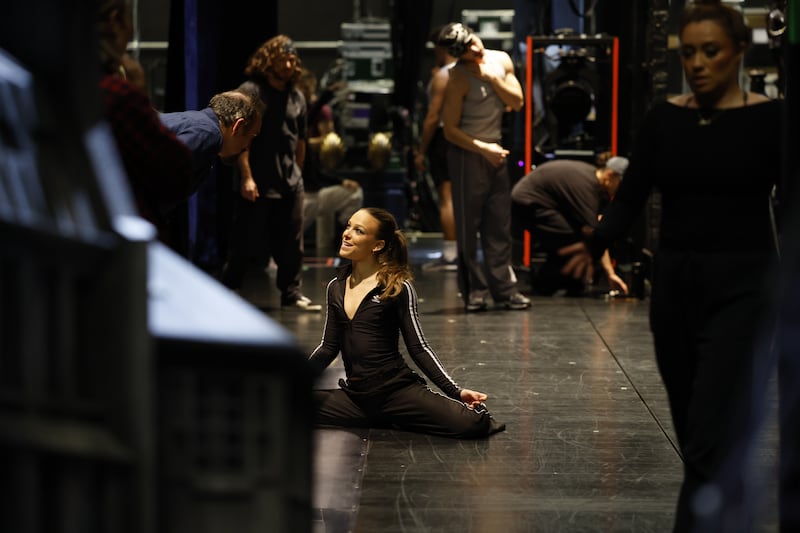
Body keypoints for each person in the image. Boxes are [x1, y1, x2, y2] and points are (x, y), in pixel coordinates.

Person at [559, 1, 783, 530]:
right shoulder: (665, 119)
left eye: (711, 51)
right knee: (694, 431)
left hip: (745, 285)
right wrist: (593, 245)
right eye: (689, 53)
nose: (698, 63)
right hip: (677, 288)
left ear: (738, 53)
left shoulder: (770, 119)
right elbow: (630, 197)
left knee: (708, 432)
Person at [308, 207, 505, 438]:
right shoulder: (336, 287)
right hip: (356, 397)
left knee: (473, 424)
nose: (347, 234)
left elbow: (419, 348)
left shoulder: (397, 287)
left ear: (377, 245)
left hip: (396, 392)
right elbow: (328, 347)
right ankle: (384, 418)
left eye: (358, 230)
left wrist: (456, 391)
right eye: (348, 226)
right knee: (290, 405)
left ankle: (393, 415)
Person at [221, 35, 321, 311]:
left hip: (289, 181)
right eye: (283, 59)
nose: (289, 64)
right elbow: (241, 138)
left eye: (292, 59)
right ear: (268, 61)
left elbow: (300, 140)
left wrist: (297, 174)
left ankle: (291, 293)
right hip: (257, 178)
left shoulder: (297, 96)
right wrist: (247, 177)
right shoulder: (251, 91)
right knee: (243, 240)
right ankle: (229, 289)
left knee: (291, 243)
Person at [439, 22, 531, 312]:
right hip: (470, 154)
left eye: (474, 41)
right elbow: (449, 130)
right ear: (458, 55)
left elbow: (518, 102)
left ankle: (505, 290)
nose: (475, 48)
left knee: (499, 225)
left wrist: (493, 79)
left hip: (496, 153)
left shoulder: (500, 60)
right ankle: (475, 292)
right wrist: (483, 148)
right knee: (468, 227)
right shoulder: (457, 77)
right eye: (466, 49)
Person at [96, 0, 194, 238]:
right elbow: (177, 171)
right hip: (123, 236)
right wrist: (140, 93)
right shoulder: (118, 94)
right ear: (115, 21)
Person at [511, 154, 630, 296]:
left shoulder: (596, 185)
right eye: (621, 184)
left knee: (576, 239)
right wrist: (609, 272)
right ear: (610, 176)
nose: (622, 190)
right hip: (528, 201)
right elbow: (596, 235)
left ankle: (563, 281)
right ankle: (546, 282)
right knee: (575, 240)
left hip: (542, 201)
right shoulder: (587, 187)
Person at [296, 68, 363, 255]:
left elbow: (316, 174)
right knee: (289, 237)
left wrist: (342, 182)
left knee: (352, 192)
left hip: (312, 195)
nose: (310, 94)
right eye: (306, 89)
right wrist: (328, 94)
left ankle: (336, 242)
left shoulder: (304, 133)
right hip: (303, 196)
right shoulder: (294, 122)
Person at [415, 26, 458, 272]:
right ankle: (459, 252)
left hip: (443, 137)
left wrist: (422, 150)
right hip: (462, 137)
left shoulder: (443, 74)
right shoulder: (466, 71)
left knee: (446, 198)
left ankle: (451, 255)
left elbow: (432, 117)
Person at [159, 90, 263, 190]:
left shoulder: (196, 121)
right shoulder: (208, 134)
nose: (247, 146)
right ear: (238, 127)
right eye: (252, 136)